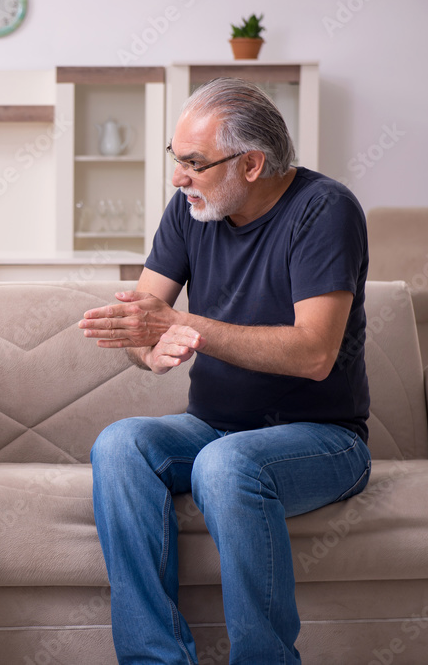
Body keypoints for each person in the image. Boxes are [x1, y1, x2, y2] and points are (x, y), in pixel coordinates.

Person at [79, 78, 372, 664]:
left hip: (324, 438)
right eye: (175, 158)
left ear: (252, 164)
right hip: (212, 425)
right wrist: (149, 349)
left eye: (193, 162)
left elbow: (315, 353)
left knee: (227, 463)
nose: (177, 177)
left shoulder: (324, 210)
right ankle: (155, 659)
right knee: (119, 445)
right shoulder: (192, 209)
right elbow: (144, 318)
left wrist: (188, 328)